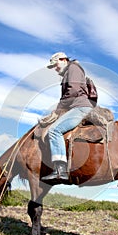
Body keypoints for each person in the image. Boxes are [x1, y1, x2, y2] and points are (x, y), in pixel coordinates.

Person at [41, 52, 94, 182]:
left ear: (63, 59)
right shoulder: (69, 71)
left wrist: (58, 109)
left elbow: (74, 90)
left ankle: (60, 170)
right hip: (76, 106)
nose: (55, 68)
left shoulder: (73, 68)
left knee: (54, 131)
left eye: (56, 64)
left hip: (80, 107)